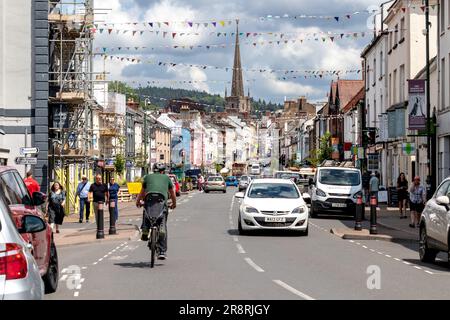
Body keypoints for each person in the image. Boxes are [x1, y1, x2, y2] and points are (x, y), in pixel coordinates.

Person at [136, 163, 176, 260]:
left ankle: (145, 229)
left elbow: (142, 192)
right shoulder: (166, 178)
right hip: (162, 203)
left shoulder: (147, 177)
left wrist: (138, 202)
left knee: (146, 211)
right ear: (162, 171)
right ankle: (162, 251)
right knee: (162, 223)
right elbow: (172, 193)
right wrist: (174, 204)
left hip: (149, 202)